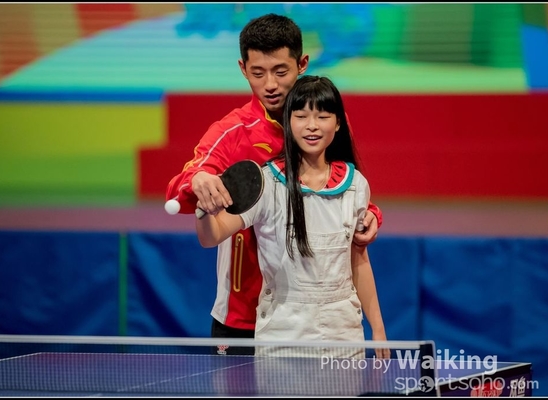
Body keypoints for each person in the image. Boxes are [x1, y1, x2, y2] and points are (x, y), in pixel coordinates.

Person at [165, 13, 383, 355]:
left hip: (311, 318)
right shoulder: (232, 132)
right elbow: (182, 184)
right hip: (243, 313)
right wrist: (199, 180)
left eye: (281, 72)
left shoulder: (320, 123)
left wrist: (370, 214)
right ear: (242, 69)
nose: (270, 84)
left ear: (302, 64)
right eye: (258, 73)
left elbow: (342, 186)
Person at [195, 75, 389, 358]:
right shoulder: (267, 182)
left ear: (338, 123)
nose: (312, 125)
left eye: (322, 116)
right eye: (301, 116)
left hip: (344, 336)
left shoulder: (356, 184)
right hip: (282, 339)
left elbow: (359, 261)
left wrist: (379, 329)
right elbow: (211, 237)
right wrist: (203, 210)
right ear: (288, 122)